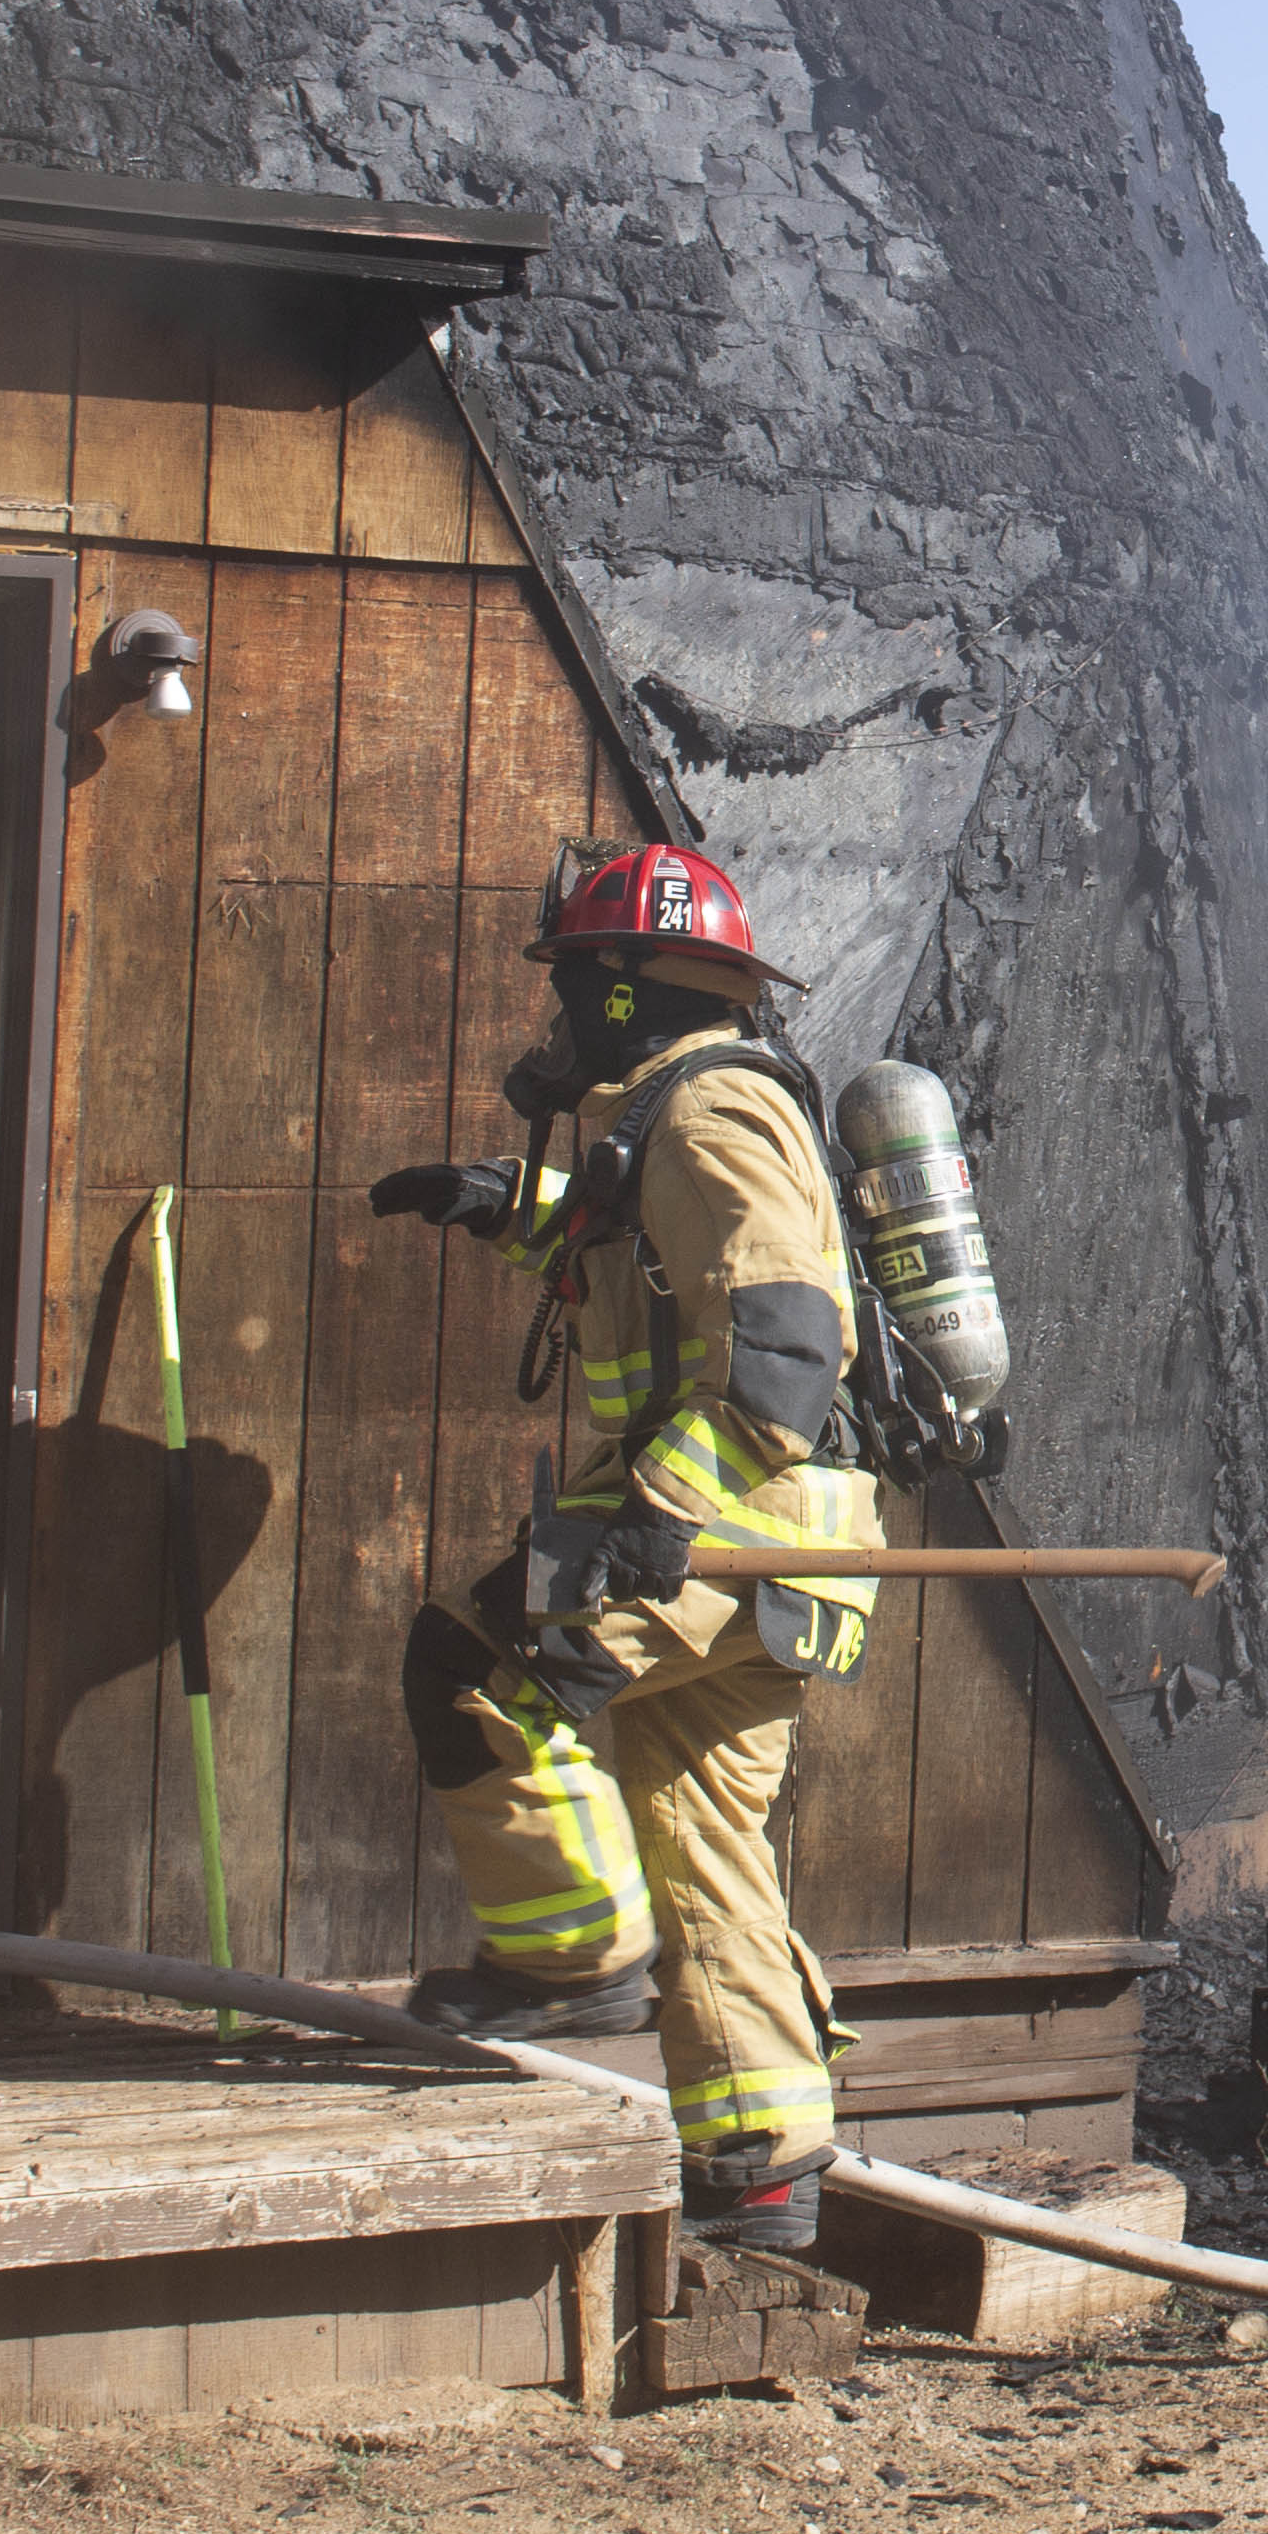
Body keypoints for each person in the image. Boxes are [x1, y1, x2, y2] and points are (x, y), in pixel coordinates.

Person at [366, 842, 880, 2254]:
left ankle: (573, 1962)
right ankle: (762, 2182)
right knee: (697, 1841)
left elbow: (780, 1358)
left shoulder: (712, 1112)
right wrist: (501, 1203)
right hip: (784, 1552)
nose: (558, 1012)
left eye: (574, 982)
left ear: (624, 987)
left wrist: (654, 1519)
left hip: (721, 1526)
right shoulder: (673, 1110)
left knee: (473, 1668)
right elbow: (651, 1271)